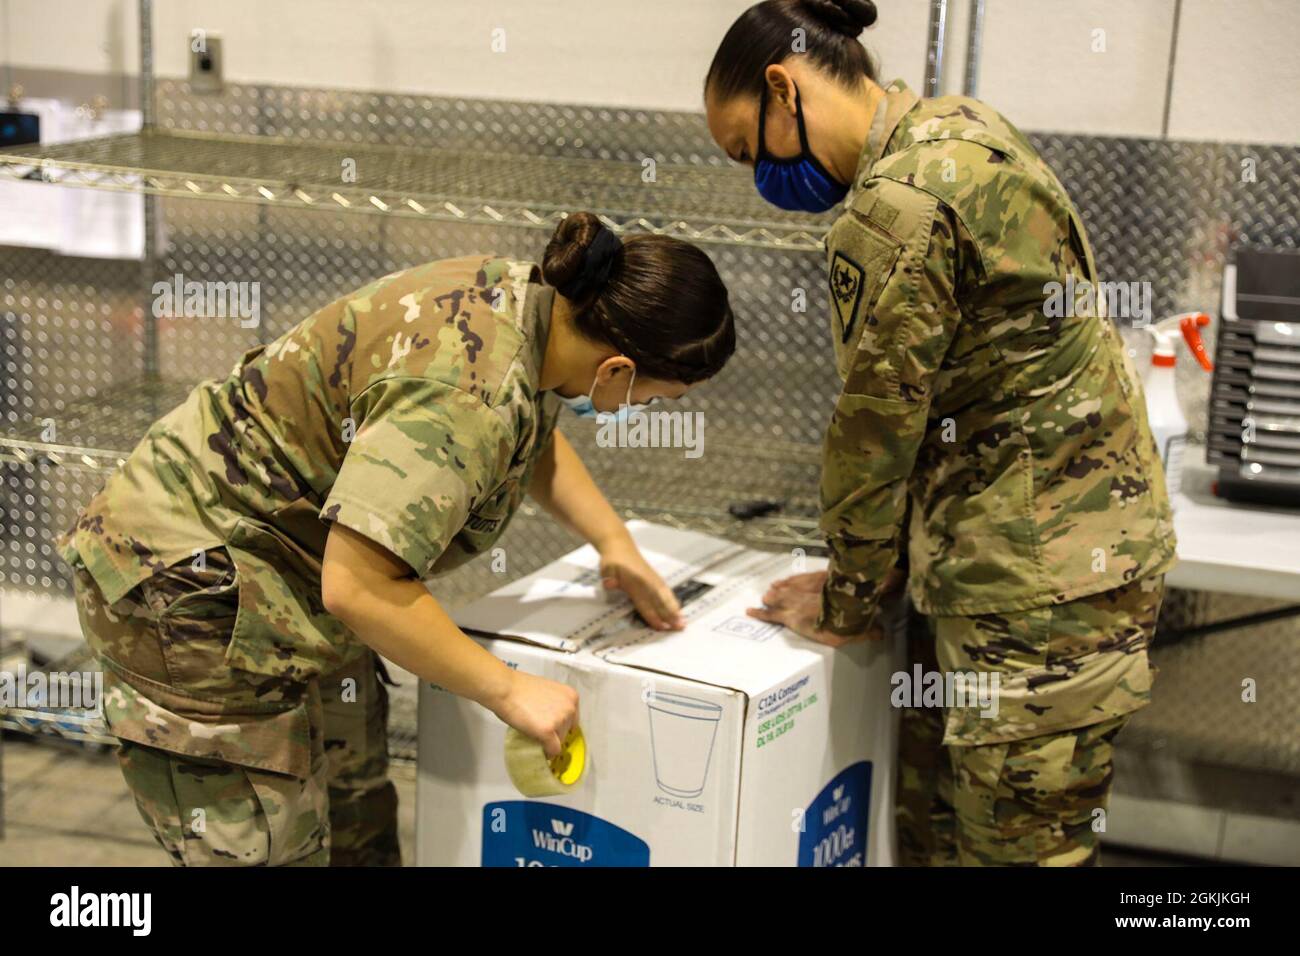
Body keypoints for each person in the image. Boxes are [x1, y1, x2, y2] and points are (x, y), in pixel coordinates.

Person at [59, 212, 736, 866]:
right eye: (653, 398)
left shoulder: (541, 309)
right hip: (191, 580)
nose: (639, 410)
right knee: (265, 845)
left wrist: (613, 541)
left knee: (356, 819)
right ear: (615, 370)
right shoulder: (466, 395)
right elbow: (359, 587)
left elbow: (528, 434)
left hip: (297, 567)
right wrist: (509, 690)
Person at [705, 0, 1175, 865]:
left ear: (783, 88)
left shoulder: (897, 206)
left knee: (1017, 851)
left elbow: (874, 434)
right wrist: (883, 570)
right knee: (942, 836)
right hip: (1037, 554)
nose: (760, 177)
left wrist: (847, 600)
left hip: (1033, 587)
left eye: (748, 148)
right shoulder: (962, 126)